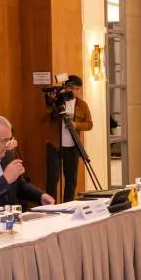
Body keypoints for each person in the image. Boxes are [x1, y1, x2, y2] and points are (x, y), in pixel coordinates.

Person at [46, 75, 93, 203]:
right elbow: (47, 117)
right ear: (65, 88)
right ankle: (51, 206)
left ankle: (68, 204)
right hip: (55, 146)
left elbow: (89, 124)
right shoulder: (57, 101)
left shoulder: (82, 105)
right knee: (53, 178)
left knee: (71, 179)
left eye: (77, 89)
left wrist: (76, 124)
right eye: (72, 88)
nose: (74, 92)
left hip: (72, 146)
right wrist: (52, 102)